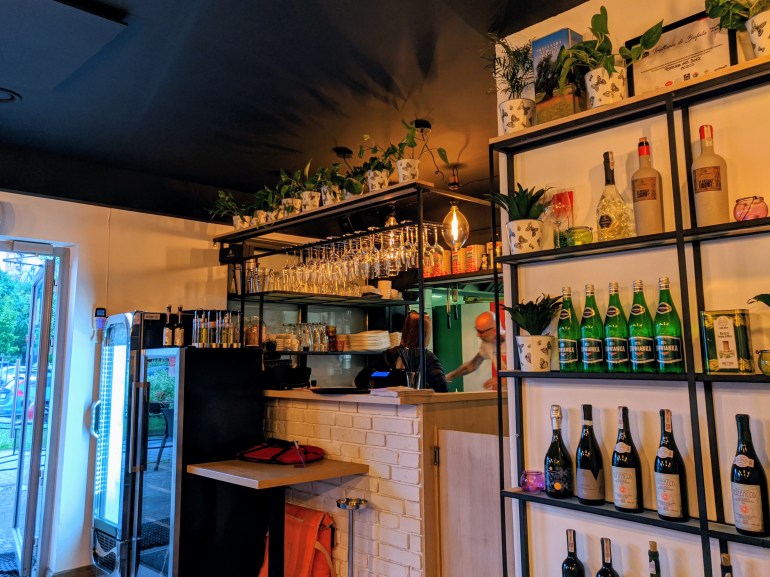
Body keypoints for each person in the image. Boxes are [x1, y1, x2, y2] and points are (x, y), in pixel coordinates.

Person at [380, 311, 448, 392]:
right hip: (418, 400)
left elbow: (376, 376)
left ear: (405, 330)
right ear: (425, 334)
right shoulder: (427, 358)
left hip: (388, 399)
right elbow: (442, 388)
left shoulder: (389, 354)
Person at [446, 311, 506, 390]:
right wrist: (449, 376)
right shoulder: (486, 344)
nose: (477, 335)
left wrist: (504, 381)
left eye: (480, 332)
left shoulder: (513, 340)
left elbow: (522, 372)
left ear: (494, 330)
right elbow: (472, 365)